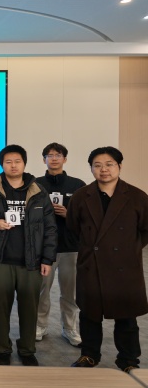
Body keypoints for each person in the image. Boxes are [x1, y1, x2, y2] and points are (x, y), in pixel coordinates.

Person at [0, 144, 57, 366]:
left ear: (24, 164)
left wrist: (47, 258)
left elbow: (50, 227)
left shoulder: (38, 192)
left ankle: (27, 350)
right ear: (2, 164)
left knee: (29, 308)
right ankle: (2, 349)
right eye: (8, 162)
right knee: (0, 307)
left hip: (32, 261)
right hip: (1, 259)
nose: (13, 165)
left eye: (17, 161)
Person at [68, 146, 148, 372]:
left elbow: (145, 230)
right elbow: (73, 229)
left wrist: (129, 249)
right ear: (91, 169)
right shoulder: (81, 196)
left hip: (125, 266)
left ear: (119, 166)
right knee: (89, 314)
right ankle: (89, 355)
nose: (104, 169)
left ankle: (128, 360)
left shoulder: (137, 196)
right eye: (98, 165)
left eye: (109, 164)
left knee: (126, 317)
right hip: (91, 264)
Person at [35, 143, 85, 346]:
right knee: (41, 290)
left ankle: (70, 328)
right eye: (50, 155)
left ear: (65, 159)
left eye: (58, 155)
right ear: (44, 159)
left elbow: (86, 216)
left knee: (70, 292)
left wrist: (68, 214)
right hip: (43, 248)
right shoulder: (35, 184)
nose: (54, 158)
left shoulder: (78, 185)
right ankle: (40, 325)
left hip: (70, 247)